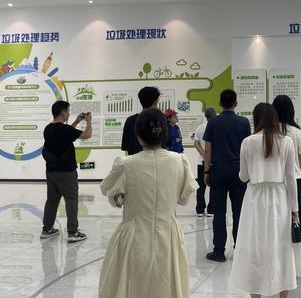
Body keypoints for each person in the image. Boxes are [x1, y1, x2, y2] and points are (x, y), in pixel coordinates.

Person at [99, 108, 199, 298]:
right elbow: (184, 200)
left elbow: (112, 199)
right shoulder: (179, 161)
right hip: (167, 233)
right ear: (164, 133)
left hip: (133, 234)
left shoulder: (125, 164)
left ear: (138, 135)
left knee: (129, 285)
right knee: (166, 284)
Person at [230, 103, 301, 297]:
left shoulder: (247, 142)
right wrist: (295, 209)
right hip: (279, 197)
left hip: (255, 198)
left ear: (256, 119)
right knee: (282, 248)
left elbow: (243, 176)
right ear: (275, 119)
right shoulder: (286, 142)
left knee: (255, 248)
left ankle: (255, 294)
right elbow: (291, 178)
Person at [203, 89, 252, 262]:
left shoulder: (213, 123)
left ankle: (218, 251)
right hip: (238, 170)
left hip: (219, 170)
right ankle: (239, 250)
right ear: (236, 103)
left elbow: (208, 149)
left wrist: (206, 171)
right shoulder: (244, 122)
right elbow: (247, 149)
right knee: (239, 212)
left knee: (219, 213)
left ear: (220, 103)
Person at [41, 101, 92, 243]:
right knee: (71, 200)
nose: (69, 113)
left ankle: (47, 229)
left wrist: (77, 121)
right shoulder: (65, 130)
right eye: (68, 111)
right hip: (66, 172)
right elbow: (87, 135)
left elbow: (66, 134)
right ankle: (73, 232)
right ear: (63, 112)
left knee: (52, 200)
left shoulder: (48, 129)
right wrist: (88, 121)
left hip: (51, 171)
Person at [273, 95, 301, 220]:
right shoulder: (298, 132)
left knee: (277, 217)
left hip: (275, 179)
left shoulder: (268, 132)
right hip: (295, 179)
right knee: (295, 215)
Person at [121, 86, 160, 156]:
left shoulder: (130, 120)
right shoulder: (160, 120)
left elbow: (126, 147)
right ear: (156, 102)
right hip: (155, 161)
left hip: (134, 161)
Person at [192, 107, 217, 217]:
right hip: (215, 161)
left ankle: (200, 209)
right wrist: (209, 156)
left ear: (205, 116)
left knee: (201, 186)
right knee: (214, 186)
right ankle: (211, 210)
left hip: (201, 161)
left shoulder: (199, 128)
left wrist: (204, 154)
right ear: (215, 115)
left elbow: (196, 143)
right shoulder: (217, 127)